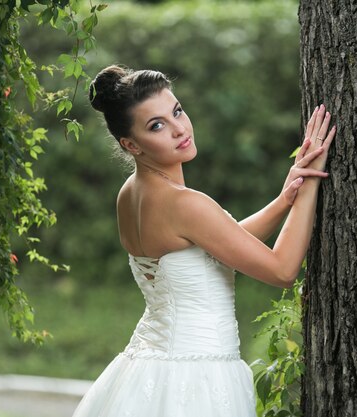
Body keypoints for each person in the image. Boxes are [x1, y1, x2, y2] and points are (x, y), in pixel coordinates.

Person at [71, 65, 336, 417]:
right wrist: (312, 183)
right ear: (130, 144)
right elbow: (283, 269)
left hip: (146, 367)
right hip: (196, 378)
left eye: (177, 111)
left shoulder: (129, 194)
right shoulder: (185, 204)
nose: (180, 128)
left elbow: (215, 247)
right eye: (157, 125)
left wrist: (286, 198)